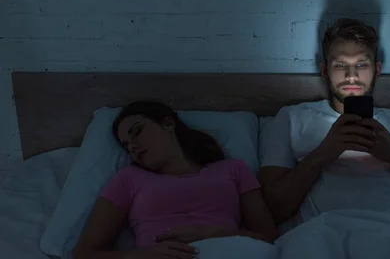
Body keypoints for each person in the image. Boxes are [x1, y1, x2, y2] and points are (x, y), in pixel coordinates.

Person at [259, 18, 390, 233]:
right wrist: (324, 153)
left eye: (361, 64)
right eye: (340, 65)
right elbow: (271, 212)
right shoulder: (292, 118)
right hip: (324, 236)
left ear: (377, 69)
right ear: (324, 70)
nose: (351, 76)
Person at [73, 101, 278, 259]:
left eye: (137, 132)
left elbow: (269, 238)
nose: (133, 146)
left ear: (168, 123)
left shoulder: (233, 169)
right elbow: (85, 254)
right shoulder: (129, 178)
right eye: (126, 146)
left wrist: (216, 234)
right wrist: (141, 256)